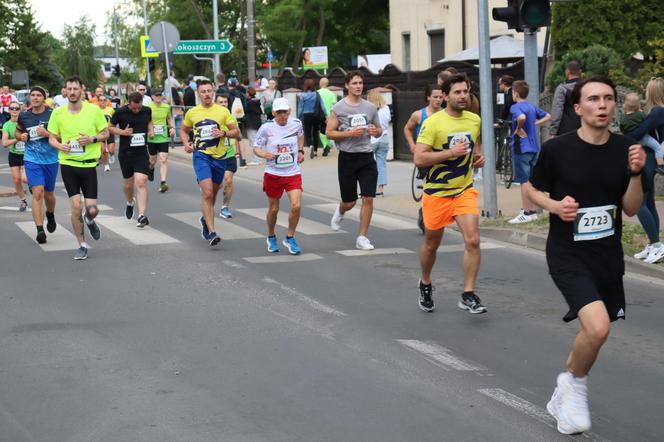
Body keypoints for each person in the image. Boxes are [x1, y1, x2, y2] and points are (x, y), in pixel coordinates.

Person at [524, 76, 645, 435]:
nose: (603, 105)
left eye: (609, 98)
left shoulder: (626, 148)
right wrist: (555, 206)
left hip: (607, 254)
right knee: (598, 326)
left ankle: (565, 391)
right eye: (594, 99)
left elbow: (632, 208)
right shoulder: (558, 149)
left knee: (593, 333)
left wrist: (636, 174)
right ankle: (572, 386)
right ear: (578, 109)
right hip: (567, 253)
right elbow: (532, 189)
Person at [413, 74, 486, 314]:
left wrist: (477, 158)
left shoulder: (474, 120)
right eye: (457, 92)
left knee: (473, 240)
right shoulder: (433, 123)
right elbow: (420, 157)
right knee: (432, 245)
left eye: (465, 91)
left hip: (463, 190)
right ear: (445, 96)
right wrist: (450, 153)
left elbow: (474, 145)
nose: (463, 96)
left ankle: (468, 294)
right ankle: (425, 282)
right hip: (436, 193)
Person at [48, 76, 110, 260]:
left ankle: (90, 220)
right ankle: (81, 245)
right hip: (68, 165)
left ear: (82, 90)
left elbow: (106, 132)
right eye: (70, 89)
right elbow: (52, 137)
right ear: (65, 91)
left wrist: (92, 139)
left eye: (76, 89)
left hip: (89, 165)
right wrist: (60, 146)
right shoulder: (57, 113)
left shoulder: (93, 110)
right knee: (76, 206)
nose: (73, 92)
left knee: (92, 209)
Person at [326, 70, 382, 250]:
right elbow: (329, 133)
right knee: (350, 201)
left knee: (368, 198)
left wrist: (375, 131)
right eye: (355, 83)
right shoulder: (339, 108)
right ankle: (341, 209)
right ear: (347, 85)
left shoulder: (370, 107)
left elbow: (380, 129)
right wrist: (349, 133)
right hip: (347, 158)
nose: (358, 86)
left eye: (360, 83)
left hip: (366, 156)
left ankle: (362, 237)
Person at [180, 80, 240, 247]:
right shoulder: (192, 112)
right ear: (198, 94)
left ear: (213, 92)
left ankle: (205, 217)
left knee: (213, 192)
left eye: (209, 91)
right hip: (201, 156)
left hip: (220, 157)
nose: (206, 94)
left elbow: (236, 131)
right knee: (206, 193)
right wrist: (186, 144)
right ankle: (211, 231)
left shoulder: (222, 111)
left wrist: (224, 133)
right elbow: (184, 130)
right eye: (203, 91)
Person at [252, 97, 306, 254]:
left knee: (296, 205)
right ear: (274, 113)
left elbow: (300, 136)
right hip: (273, 173)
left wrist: (301, 150)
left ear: (289, 111)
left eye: (285, 112)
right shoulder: (266, 128)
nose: (282, 115)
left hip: (292, 172)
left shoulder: (296, 123)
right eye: (279, 112)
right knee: (274, 209)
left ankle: (290, 237)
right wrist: (266, 154)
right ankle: (271, 235)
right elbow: (256, 147)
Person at [626, 77, 664, 264]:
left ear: (652, 93)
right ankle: (653, 244)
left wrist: (624, 137)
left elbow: (638, 133)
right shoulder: (659, 112)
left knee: (640, 203)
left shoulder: (657, 112)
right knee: (649, 202)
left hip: (647, 159)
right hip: (650, 158)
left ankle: (657, 245)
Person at [16, 86, 58, 244]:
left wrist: (47, 134)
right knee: (38, 192)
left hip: (51, 159)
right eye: (32, 95)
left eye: (38, 95)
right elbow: (17, 132)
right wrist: (22, 136)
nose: (35, 98)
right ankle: (40, 230)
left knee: (49, 194)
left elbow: (61, 135)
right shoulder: (24, 115)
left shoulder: (53, 114)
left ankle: (51, 214)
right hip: (32, 159)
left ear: (44, 97)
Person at [507, 80, 551, 224]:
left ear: (516, 93)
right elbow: (548, 116)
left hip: (521, 148)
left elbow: (521, 117)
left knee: (524, 181)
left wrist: (519, 128)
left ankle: (527, 212)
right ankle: (530, 211)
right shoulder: (531, 107)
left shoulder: (515, 107)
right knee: (531, 180)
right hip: (534, 148)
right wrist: (535, 124)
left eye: (512, 92)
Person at [109, 92, 153, 228]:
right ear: (129, 103)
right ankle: (130, 202)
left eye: (138, 107)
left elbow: (150, 121)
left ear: (141, 103)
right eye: (134, 108)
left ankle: (141, 215)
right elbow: (109, 127)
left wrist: (151, 131)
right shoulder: (120, 112)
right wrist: (123, 132)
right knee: (128, 184)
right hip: (126, 153)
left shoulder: (147, 110)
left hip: (141, 152)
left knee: (141, 182)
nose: (136, 110)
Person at [404, 84, 444, 233]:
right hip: (425, 156)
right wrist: (412, 145)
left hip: (442, 155)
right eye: (435, 97)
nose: (438, 100)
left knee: (440, 187)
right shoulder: (419, 115)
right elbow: (407, 128)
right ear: (428, 97)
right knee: (430, 186)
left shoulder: (446, 114)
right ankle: (425, 213)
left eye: (441, 97)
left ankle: (429, 211)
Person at [619, 93, 664, 174]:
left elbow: (622, 127)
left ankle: (631, 167)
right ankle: (660, 165)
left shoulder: (623, 118)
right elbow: (646, 124)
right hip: (645, 138)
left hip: (635, 141)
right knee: (657, 148)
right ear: (638, 105)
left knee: (634, 153)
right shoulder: (640, 114)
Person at [215, 94, 240, 219]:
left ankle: (225, 207)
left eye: (225, 102)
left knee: (228, 180)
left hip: (229, 155)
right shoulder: (212, 118)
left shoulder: (231, 118)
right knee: (217, 185)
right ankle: (209, 198)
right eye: (221, 102)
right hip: (214, 155)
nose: (224, 104)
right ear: (216, 104)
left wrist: (239, 153)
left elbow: (237, 135)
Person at [1, 101, 29, 211]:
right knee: (17, 180)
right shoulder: (7, 125)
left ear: (20, 110)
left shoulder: (25, 123)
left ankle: (33, 185)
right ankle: (23, 201)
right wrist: (17, 139)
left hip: (27, 154)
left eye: (17, 108)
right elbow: (4, 143)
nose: (14, 110)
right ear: (9, 110)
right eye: (12, 108)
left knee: (25, 179)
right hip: (14, 155)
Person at [147, 88, 175, 193]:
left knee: (163, 159)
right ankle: (151, 168)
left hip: (163, 136)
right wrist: (149, 131)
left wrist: (172, 127)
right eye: (156, 95)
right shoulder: (148, 107)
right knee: (152, 160)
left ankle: (163, 182)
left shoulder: (166, 107)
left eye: (160, 95)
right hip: (152, 137)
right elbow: (145, 120)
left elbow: (169, 118)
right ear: (152, 97)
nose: (158, 97)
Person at [367, 89, 391, 196]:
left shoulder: (369, 108)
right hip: (384, 137)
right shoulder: (386, 108)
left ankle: (369, 187)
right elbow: (389, 120)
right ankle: (380, 189)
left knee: (368, 165)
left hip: (372, 139)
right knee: (381, 164)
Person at [550, 60, 582, 137]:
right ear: (580, 71)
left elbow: (557, 110)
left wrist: (553, 131)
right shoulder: (587, 87)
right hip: (586, 128)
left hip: (566, 130)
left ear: (567, 72)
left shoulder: (562, 89)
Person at [297, 79, 322, 159]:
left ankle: (310, 145)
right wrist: (326, 115)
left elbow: (300, 108)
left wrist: (298, 117)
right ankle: (315, 151)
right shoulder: (317, 94)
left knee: (307, 132)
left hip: (306, 115)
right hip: (315, 115)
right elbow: (322, 106)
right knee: (315, 132)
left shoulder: (302, 95)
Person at [317, 77, 338, 156]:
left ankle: (326, 145)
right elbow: (334, 106)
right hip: (330, 116)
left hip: (320, 115)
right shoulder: (332, 94)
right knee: (328, 131)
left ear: (320, 84)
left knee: (321, 131)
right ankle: (327, 144)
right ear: (327, 84)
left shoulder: (317, 93)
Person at [96, 95, 116, 172]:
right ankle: (106, 165)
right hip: (100, 133)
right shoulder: (96, 110)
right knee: (103, 150)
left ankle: (111, 155)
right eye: (101, 100)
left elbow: (115, 119)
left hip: (110, 131)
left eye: (104, 100)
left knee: (111, 150)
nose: (103, 101)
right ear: (98, 102)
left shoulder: (111, 109)